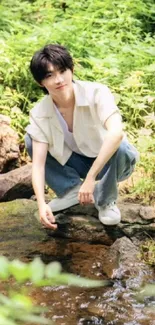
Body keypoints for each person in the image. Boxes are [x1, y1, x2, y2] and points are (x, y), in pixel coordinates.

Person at [25, 44, 139, 230]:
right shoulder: (40, 113)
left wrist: (90, 180)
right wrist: (41, 204)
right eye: (49, 75)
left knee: (122, 146)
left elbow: (116, 133)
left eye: (62, 71)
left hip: (112, 163)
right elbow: (38, 165)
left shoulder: (96, 92)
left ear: (72, 70)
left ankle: (106, 200)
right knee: (31, 139)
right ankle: (71, 190)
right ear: (40, 82)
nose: (59, 79)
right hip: (78, 163)